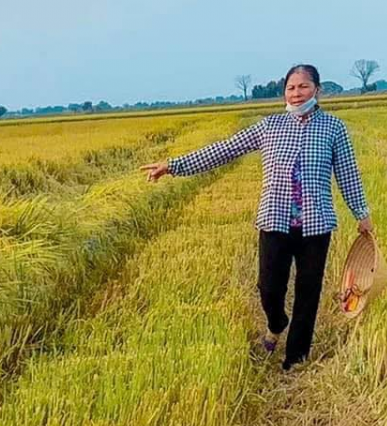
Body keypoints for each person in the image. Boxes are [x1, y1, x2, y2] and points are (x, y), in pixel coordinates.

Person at [142, 64, 374, 370]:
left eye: (303, 86)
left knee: (309, 292)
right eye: (290, 88)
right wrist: (173, 165)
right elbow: (225, 150)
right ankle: (276, 323)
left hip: (315, 226)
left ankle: (296, 358)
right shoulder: (270, 126)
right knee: (269, 288)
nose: (296, 93)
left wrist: (362, 214)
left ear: (317, 90)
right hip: (274, 221)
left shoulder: (333, 128)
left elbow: (348, 174)